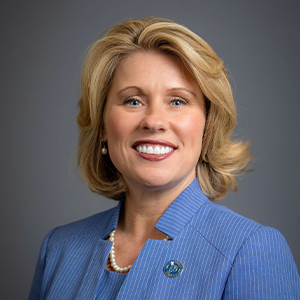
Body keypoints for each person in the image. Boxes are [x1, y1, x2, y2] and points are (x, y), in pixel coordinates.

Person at [29, 17, 300, 299]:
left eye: (177, 101)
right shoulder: (59, 248)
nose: (154, 121)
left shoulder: (251, 250)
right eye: (133, 100)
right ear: (102, 126)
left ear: (208, 125)